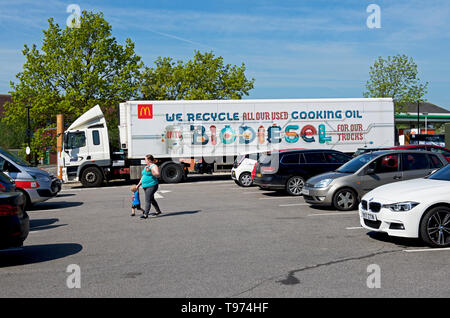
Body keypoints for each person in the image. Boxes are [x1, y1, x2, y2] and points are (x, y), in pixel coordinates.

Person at [136, 154, 162, 219]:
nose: (145, 160)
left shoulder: (153, 166)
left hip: (152, 185)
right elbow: (143, 177)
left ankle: (145, 214)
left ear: (149, 160)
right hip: (145, 186)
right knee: (151, 199)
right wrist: (138, 185)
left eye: (145, 159)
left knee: (147, 200)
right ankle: (158, 211)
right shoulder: (146, 166)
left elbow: (157, 174)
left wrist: (151, 171)